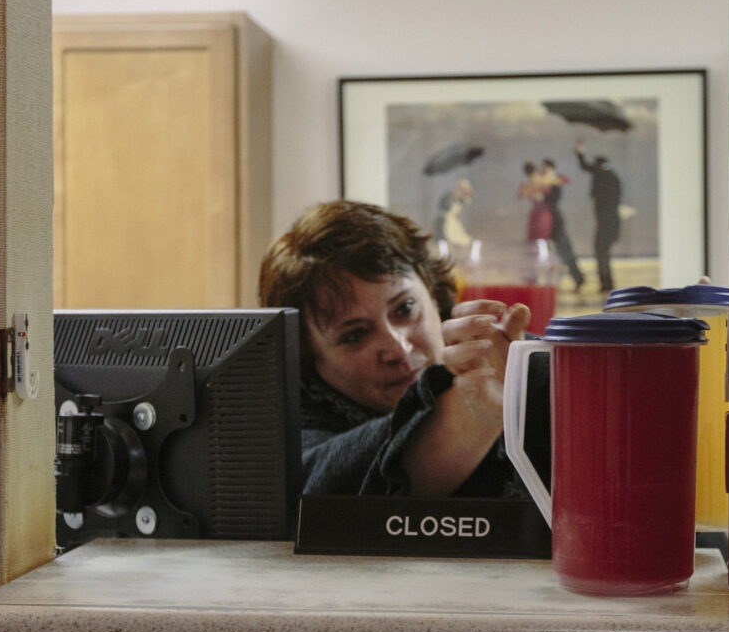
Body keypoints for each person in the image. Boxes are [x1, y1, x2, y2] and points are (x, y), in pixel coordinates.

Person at [259, 200, 532, 497]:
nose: (398, 349)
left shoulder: (504, 355)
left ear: (432, 292)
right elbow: (317, 488)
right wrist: (473, 412)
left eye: (404, 308)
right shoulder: (281, 426)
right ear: (309, 357)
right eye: (355, 335)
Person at [576, 139, 625, 293]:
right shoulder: (613, 177)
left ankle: (606, 284)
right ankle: (606, 284)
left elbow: (586, 166)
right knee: (603, 253)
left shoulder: (602, 174)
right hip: (612, 223)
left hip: (605, 223)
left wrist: (580, 152)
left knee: (601, 253)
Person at [538, 158, 586, 294]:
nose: (543, 170)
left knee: (564, 250)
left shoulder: (556, 180)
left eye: (545, 168)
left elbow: (564, 181)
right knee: (553, 253)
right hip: (545, 219)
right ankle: (558, 281)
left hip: (554, 219)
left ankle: (578, 278)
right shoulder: (544, 180)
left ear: (550, 168)